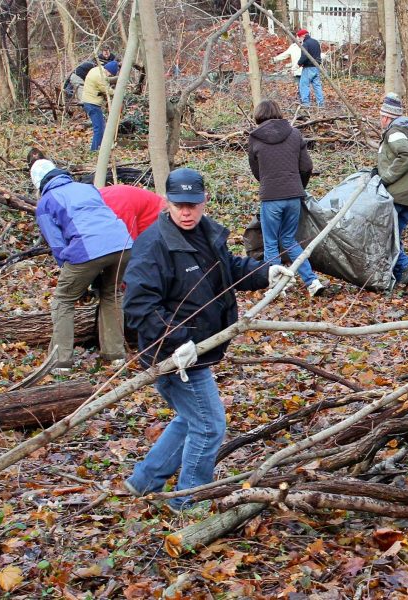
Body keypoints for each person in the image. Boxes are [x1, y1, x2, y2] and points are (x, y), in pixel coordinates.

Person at [121, 168, 292, 510]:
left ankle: (144, 481)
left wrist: (264, 272)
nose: (186, 212)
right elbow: (138, 305)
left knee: (190, 419)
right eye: (179, 205)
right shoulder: (153, 246)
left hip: (200, 350)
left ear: (204, 202)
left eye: (193, 205)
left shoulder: (206, 234)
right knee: (209, 425)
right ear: (167, 203)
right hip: (173, 356)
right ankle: (189, 500)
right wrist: (175, 341)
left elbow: (227, 269)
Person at [30, 159, 133, 373]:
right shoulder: (86, 188)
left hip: (87, 249)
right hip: (123, 243)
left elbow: (57, 245)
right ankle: (115, 355)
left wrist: (73, 272)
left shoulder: (45, 202)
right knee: (112, 294)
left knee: (63, 299)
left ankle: (60, 362)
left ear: (38, 183)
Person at [248, 99, 324, 297]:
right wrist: (299, 186)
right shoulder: (295, 133)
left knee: (271, 242)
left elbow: (256, 170)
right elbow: (307, 166)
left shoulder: (255, 138)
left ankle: (278, 286)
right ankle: (312, 281)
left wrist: (267, 182)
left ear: (259, 115)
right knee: (289, 239)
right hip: (293, 195)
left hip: (271, 196)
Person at [376, 93, 408, 286]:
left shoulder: (394, 132)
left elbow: (407, 156)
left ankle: (405, 265)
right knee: (393, 236)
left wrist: (386, 177)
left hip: (397, 195)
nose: (380, 119)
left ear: (387, 116)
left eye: (381, 116)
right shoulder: (401, 131)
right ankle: (400, 273)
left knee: (387, 237)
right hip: (406, 194)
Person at [99, 184, 166, 239]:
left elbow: (126, 245)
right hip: (147, 223)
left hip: (162, 223)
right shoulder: (100, 198)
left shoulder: (115, 206)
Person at [81, 60, 120, 151]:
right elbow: (107, 90)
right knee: (99, 128)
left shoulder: (96, 70)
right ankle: (94, 150)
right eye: (110, 74)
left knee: (100, 126)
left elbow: (106, 80)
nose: (109, 76)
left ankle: (99, 147)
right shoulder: (100, 77)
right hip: (92, 103)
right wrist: (119, 92)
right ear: (108, 70)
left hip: (88, 101)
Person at [272, 30, 305, 99]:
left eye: (300, 37)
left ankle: (304, 100)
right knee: (300, 85)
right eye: (297, 37)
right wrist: (275, 59)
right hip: (297, 70)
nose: (298, 39)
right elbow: (285, 55)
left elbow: (314, 55)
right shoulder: (293, 47)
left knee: (303, 86)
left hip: (306, 69)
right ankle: (302, 99)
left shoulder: (306, 45)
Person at [296, 29, 324, 107]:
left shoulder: (305, 44)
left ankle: (306, 104)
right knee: (317, 86)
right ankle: (321, 104)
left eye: (299, 37)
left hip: (308, 68)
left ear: (302, 36)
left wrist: (299, 63)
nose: (299, 39)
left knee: (304, 85)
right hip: (316, 67)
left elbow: (304, 56)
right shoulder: (316, 42)